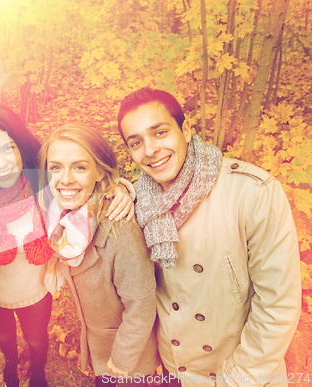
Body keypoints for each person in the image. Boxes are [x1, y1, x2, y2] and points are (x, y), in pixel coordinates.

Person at [117, 87, 301, 387]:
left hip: (240, 374)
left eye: (160, 132)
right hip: (174, 370)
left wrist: (238, 379)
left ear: (186, 130)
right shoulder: (137, 201)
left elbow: (277, 305)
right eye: (136, 142)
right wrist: (119, 188)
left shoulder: (252, 193)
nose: (149, 150)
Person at [0, 104, 134, 387]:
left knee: (36, 340)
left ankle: (38, 374)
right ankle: (10, 365)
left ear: (20, 147)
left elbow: (86, 185)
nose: (1, 162)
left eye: (8, 148)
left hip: (36, 293)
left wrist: (121, 189)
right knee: (5, 339)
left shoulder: (45, 185)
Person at [38, 123, 159, 387]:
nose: (66, 179)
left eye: (80, 167)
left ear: (99, 172)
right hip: (100, 350)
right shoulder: (61, 218)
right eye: (55, 167)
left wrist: (122, 362)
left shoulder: (119, 229)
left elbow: (142, 306)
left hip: (130, 361)